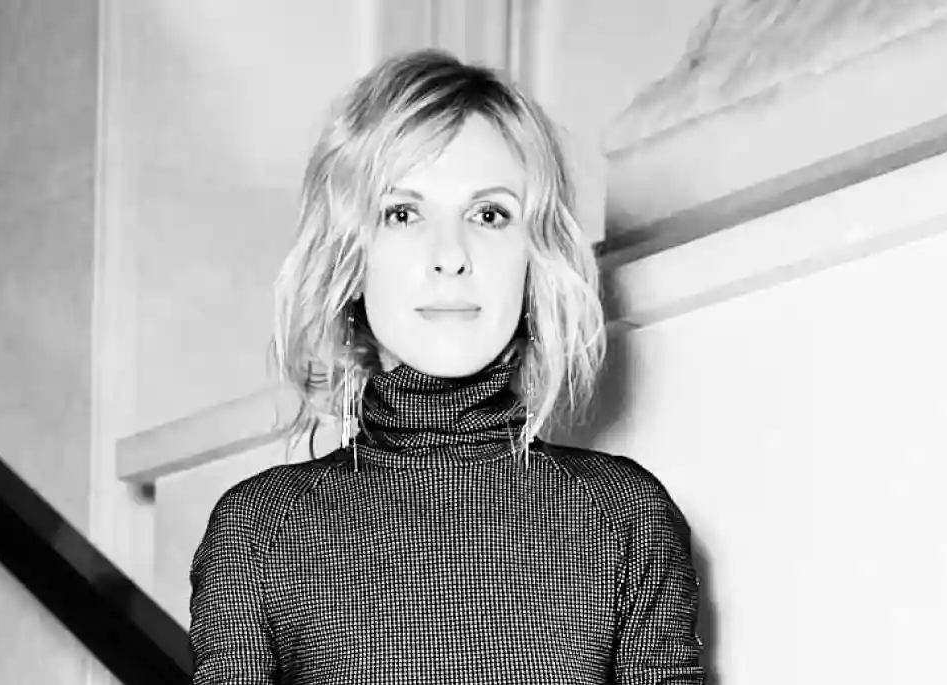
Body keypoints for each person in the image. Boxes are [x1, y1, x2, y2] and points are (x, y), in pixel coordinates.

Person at [188, 49, 706, 684]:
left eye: (489, 214)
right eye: (403, 213)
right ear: (351, 259)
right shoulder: (258, 533)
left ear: (535, 257)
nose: (450, 255)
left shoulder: (626, 517)